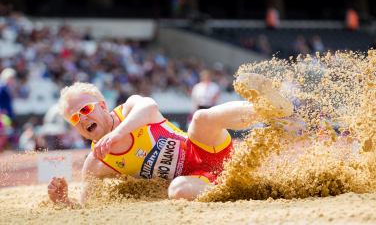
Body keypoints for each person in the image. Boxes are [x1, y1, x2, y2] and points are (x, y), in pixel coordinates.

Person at [47, 74, 293, 205]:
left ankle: (267, 107)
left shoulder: (130, 108)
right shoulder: (96, 162)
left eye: (86, 110)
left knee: (200, 119)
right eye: (74, 119)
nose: (81, 119)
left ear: (102, 105)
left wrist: (118, 133)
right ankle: (242, 188)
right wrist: (63, 202)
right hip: (197, 180)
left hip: (204, 148)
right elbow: (86, 206)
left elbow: (150, 105)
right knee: (176, 191)